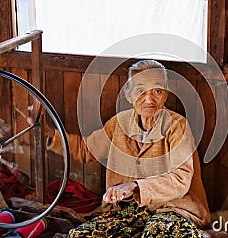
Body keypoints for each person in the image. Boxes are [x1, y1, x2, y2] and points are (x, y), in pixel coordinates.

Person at [48, 59, 210, 237]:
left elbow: (181, 179)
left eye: (157, 90)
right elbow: (86, 149)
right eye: (140, 91)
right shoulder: (119, 122)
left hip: (172, 208)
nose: (149, 99)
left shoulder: (177, 126)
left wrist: (135, 186)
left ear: (165, 94)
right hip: (127, 210)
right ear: (129, 95)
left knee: (158, 232)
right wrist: (48, 135)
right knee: (80, 235)